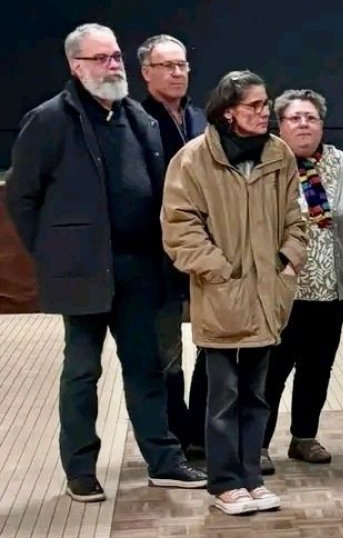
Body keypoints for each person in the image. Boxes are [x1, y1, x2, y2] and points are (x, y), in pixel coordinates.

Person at [7, 22, 206, 503]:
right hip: (85, 270)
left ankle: (163, 459)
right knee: (82, 371)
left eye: (116, 56)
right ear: (76, 66)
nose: (113, 65)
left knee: (147, 368)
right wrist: (55, 254)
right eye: (102, 58)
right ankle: (80, 469)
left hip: (141, 267)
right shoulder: (51, 119)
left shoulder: (136, 116)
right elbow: (22, 197)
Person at [162, 70, 307, 514]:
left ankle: (251, 476)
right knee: (221, 398)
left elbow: (296, 217)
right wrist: (220, 271)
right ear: (228, 112)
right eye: (255, 106)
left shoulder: (279, 154)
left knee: (256, 396)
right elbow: (180, 229)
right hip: (221, 298)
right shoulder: (192, 160)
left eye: (265, 105)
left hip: (268, 296)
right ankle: (225, 482)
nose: (265, 113)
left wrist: (287, 261)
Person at [261, 89, 343, 472]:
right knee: (272, 371)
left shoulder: (342, 163)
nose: (304, 124)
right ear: (280, 124)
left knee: (318, 368)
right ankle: (258, 443)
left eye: (311, 118)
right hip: (283, 290)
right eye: (294, 118)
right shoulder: (268, 162)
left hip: (332, 289)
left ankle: (304, 436)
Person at [137, 33, 210, 461]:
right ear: (146, 73)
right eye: (167, 66)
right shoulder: (133, 120)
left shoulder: (202, 119)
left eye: (182, 64)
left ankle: (201, 429)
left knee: (213, 342)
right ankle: (172, 438)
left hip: (204, 249)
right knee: (167, 355)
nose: (178, 72)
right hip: (155, 253)